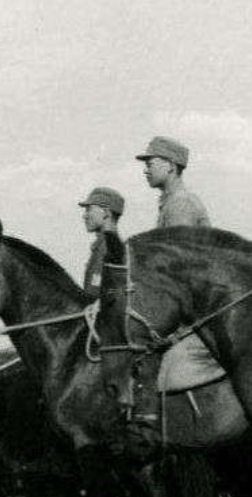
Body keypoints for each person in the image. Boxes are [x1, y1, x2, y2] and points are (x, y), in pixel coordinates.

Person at [135, 136, 226, 388]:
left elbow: (180, 276)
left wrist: (174, 331)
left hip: (192, 316)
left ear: (171, 166)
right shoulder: (171, 203)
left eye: (151, 162)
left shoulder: (180, 205)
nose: (145, 169)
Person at [78, 187, 125, 298]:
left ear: (106, 213)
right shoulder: (103, 245)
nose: (84, 216)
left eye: (89, 209)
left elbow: (95, 295)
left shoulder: (109, 247)